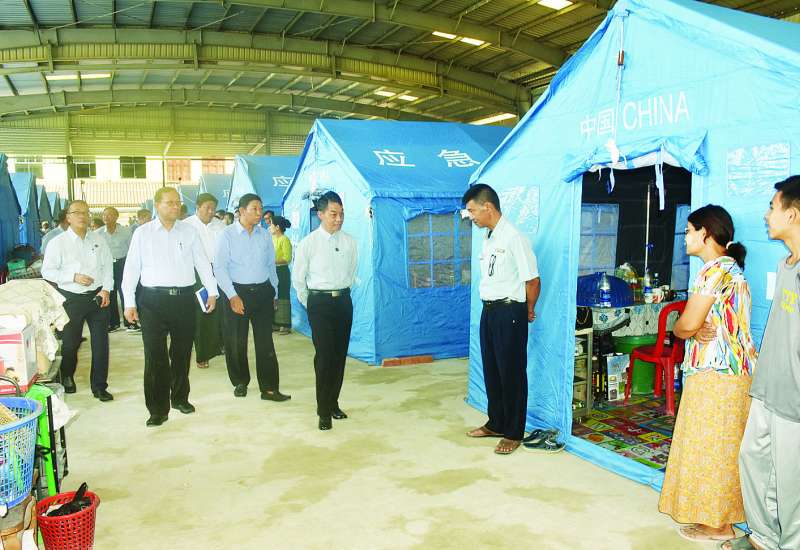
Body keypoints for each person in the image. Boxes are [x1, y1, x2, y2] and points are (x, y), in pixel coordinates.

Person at [658, 205, 756, 542]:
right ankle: (718, 519)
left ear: (706, 233)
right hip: (731, 374)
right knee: (720, 446)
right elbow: (695, 324)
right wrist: (691, 326)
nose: (685, 237)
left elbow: (684, 325)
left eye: (688, 231)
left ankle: (719, 525)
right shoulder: (729, 268)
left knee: (714, 447)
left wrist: (685, 326)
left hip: (718, 374)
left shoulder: (714, 271)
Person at [721, 176, 800, 550]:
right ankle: (763, 539)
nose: (767, 215)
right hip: (769, 386)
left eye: (772, 207)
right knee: (753, 459)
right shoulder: (787, 265)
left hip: (795, 397)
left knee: (791, 483)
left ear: (793, 214)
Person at [122, 187, 218, 427]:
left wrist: (212, 291)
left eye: (178, 203)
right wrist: (129, 302)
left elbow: (202, 263)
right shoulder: (142, 233)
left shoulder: (189, 231)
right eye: (169, 203)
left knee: (182, 353)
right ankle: (157, 409)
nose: (175, 207)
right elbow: (131, 268)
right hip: (152, 301)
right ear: (157, 205)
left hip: (183, 300)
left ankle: (180, 398)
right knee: (155, 356)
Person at [462, 184, 540, 455]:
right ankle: (496, 422)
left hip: (510, 312)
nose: (470, 216)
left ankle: (513, 432)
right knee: (492, 370)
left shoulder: (514, 238)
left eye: (472, 210)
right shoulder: (489, 237)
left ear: (488, 207)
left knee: (512, 373)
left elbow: (533, 280)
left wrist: (527, 309)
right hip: (490, 311)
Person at [215, 193, 290, 402]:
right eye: (254, 209)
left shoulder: (264, 235)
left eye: (260, 208)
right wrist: (232, 295)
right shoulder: (227, 235)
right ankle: (240, 381)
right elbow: (219, 268)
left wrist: (274, 292)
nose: (259, 213)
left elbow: (270, 265)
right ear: (241, 211)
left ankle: (269, 388)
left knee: (265, 342)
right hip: (237, 293)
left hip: (263, 292)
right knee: (236, 340)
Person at [292, 191, 357, 431]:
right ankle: (323, 411)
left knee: (339, 356)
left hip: (343, 302)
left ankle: (333, 403)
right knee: (324, 356)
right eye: (333, 214)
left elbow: (352, 272)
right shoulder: (308, 243)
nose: (338, 219)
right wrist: (310, 303)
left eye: (341, 214)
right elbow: (298, 279)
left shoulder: (350, 242)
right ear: (320, 214)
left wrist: (342, 294)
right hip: (319, 304)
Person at [41, 200, 114, 401]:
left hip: (97, 297)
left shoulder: (98, 240)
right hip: (71, 298)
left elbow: (108, 267)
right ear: (68, 217)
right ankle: (67, 375)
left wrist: (106, 290)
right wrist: (73, 277)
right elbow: (47, 271)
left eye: (86, 212)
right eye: (77, 212)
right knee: (71, 343)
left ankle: (99, 386)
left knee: (101, 344)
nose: (82, 216)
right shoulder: (58, 243)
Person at [184, 193, 226, 369]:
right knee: (203, 313)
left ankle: (220, 345)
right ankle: (203, 354)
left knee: (221, 311)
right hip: (197, 274)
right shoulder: (186, 226)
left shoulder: (220, 225)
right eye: (207, 208)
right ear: (198, 207)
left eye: (213, 208)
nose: (211, 211)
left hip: (220, 271)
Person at [96, 207, 133, 332]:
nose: (106, 217)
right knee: (109, 293)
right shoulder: (98, 233)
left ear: (116, 217)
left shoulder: (126, 232)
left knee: (125, 292)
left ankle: (130, 322)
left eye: (109, 215)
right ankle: (113, 323)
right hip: (106, 267)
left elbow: (131, 251)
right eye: (104, 215)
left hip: (122, 264)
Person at [270, 215, 293, 335]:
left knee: (283, 296)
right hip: (272, 271)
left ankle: (285, 325)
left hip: (282, 272)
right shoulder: (272, 238)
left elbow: (287, 258)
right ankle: (275, 323)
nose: (270, 227)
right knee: (274, 296)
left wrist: (271, 261)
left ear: (277, 227)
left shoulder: (285, 239)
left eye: (271, 224)